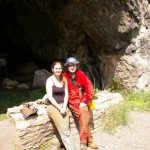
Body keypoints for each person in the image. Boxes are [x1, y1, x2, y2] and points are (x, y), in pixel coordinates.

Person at [62, 57, 98, 150]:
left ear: (76, 65)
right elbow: (57, 87)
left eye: (74, 65)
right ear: (67, 66)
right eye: (70, 65)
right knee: (84, 117)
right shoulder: (64, 76)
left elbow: (89, 87)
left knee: (84, 115)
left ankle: (83, 143)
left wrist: (86, 101)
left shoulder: (80, 74)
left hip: (82, 101)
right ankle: (89, 141)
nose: (72, 67)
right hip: (72, 102)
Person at [46, 61, 74, 150]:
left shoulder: (63, 79)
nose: (58, 70)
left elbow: (66, 95)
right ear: (52, 69)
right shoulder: (50, 80)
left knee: (67, 129)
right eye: (56, 68)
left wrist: (64, 107)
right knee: (64, 130)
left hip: (63, 106)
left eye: (59, 68)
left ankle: (62, 146)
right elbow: (50, 97)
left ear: (61, 69)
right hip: (53, 106)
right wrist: (60, 108)